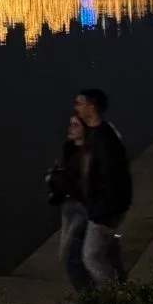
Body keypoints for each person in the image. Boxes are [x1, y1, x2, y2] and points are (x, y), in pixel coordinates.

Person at [72, 88, 131, 288]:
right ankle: (122, 289)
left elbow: (112, 178)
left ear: (92, 107)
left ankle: (114, 295)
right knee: (109, 253)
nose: (76, 108)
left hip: (104, 209)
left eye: (80, 103)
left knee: (91, 256)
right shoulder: (97, 134)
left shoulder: (105, 140)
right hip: (103, 206)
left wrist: (101, 209)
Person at [48, 115, 89, 290]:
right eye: (70, 124)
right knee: (64, 251)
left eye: (75, 125)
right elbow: (61, 170)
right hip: (67, 204)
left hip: (82, 207)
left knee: (70, 251)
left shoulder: (89, 153)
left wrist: (65, 180)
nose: (70, 128)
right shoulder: (69, 148)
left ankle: (86, 293)